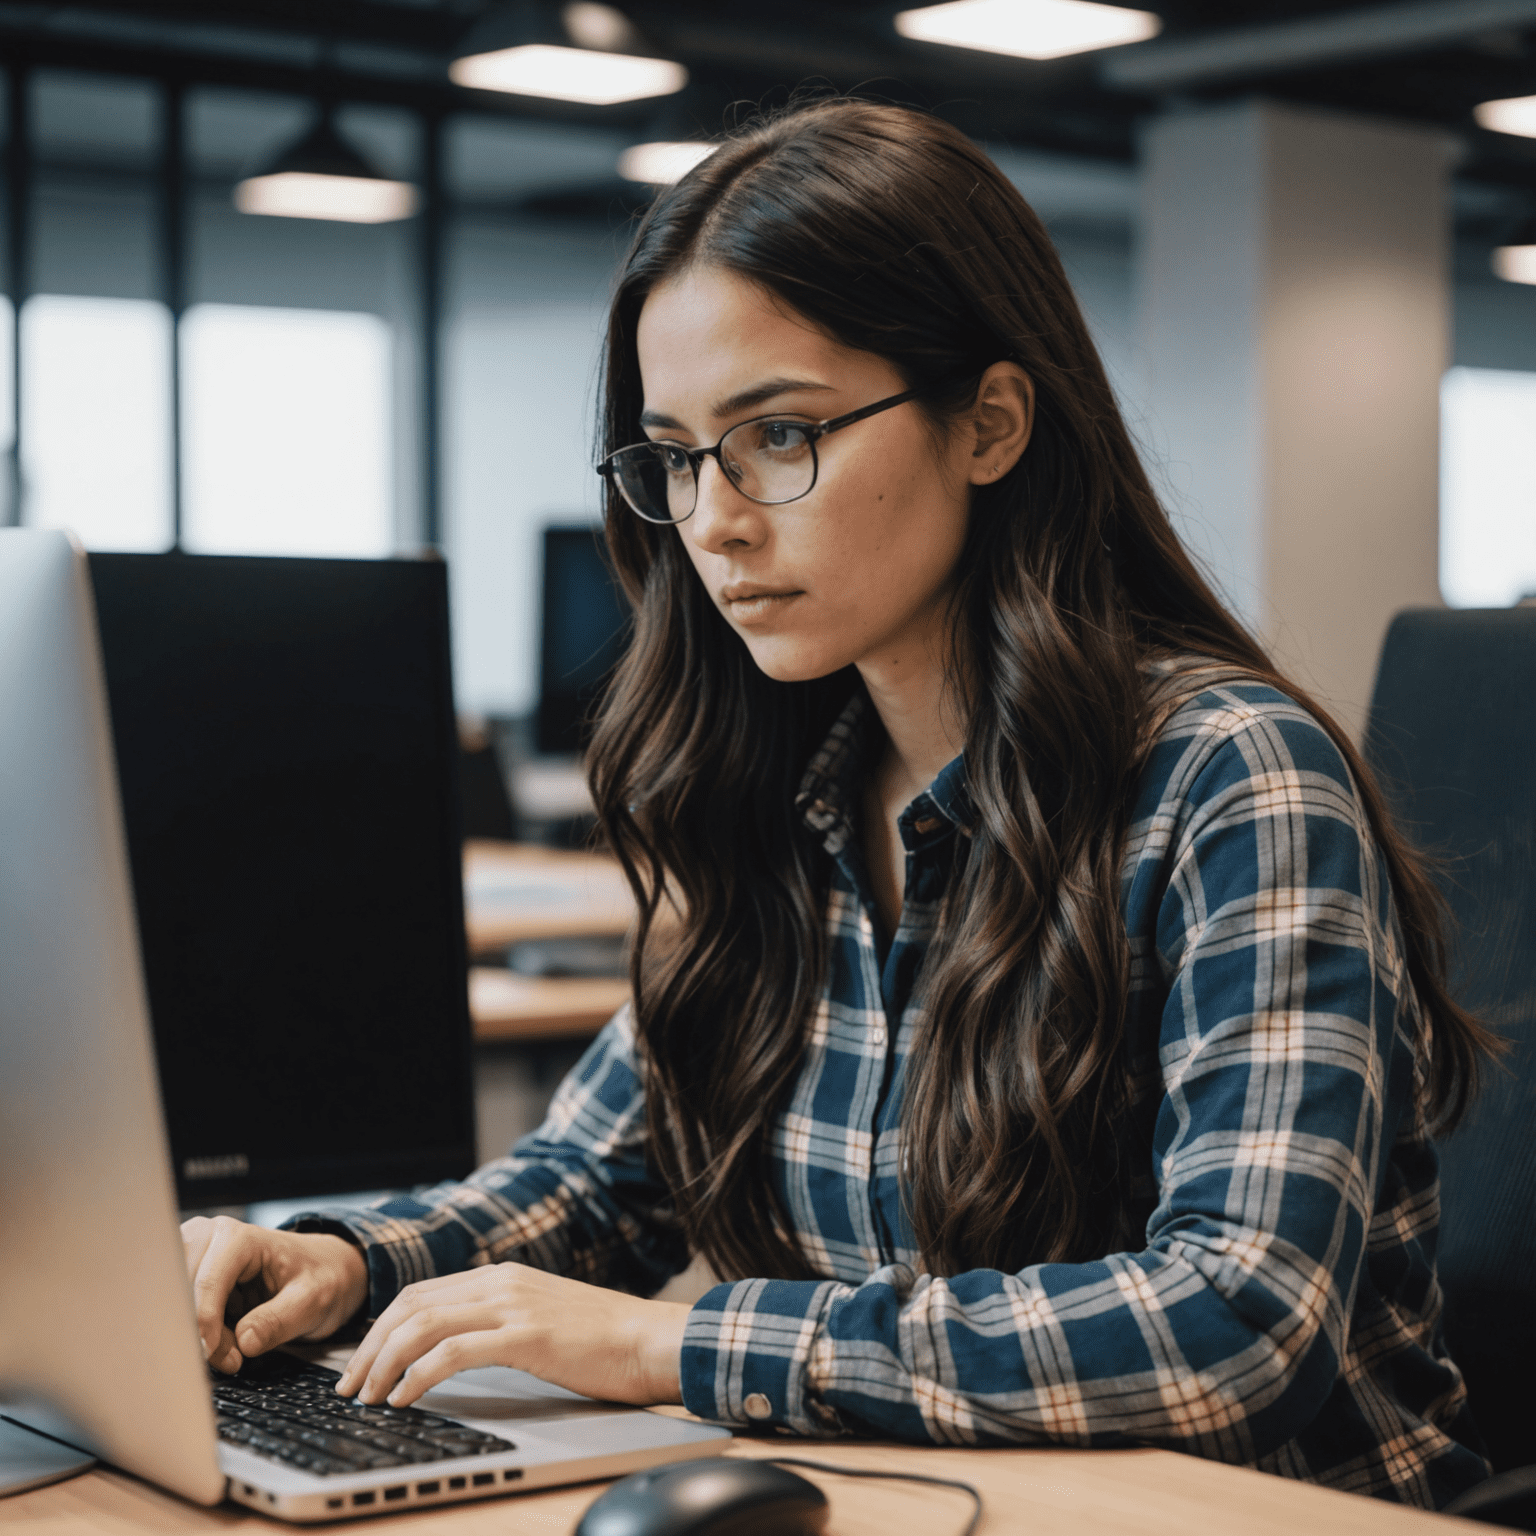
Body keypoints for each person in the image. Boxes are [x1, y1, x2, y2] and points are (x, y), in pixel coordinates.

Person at [182, 97, 1496, 1507]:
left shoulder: (1228, 780)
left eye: (781, 435)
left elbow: (1232, 1326)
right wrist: (348, 1260)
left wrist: (676, 1346)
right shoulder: (775, 794)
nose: (717, 520)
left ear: (989, 424)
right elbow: (602, 1182)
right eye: (676, 455)